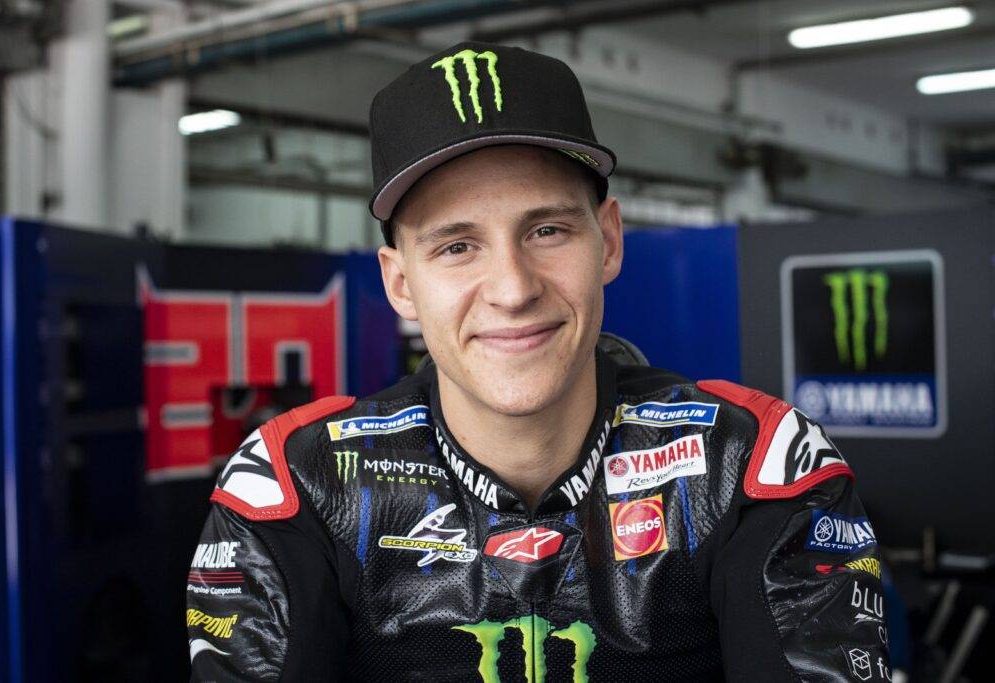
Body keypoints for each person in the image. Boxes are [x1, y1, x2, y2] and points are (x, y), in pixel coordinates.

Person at [186, 41, 890, 681]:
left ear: (608, 241)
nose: (514, 288)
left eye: (547, 230)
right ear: (400, 283)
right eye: (457, 246)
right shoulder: (297, 483)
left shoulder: (754, 465)